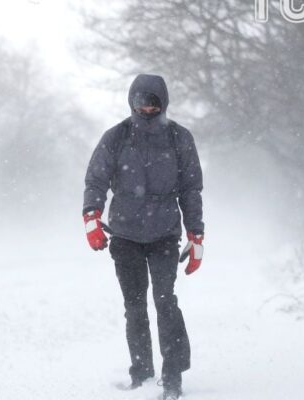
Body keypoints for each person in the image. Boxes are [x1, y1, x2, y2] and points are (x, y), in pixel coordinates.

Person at [81, 74, 204, 400]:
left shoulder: (180, 138)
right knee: (134, 307)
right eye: (141, 101)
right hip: (125, 237)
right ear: (131, 101)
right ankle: (141, 374)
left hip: (165, 235)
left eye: (153, 102)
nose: (147, 108)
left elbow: (192, 190)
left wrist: (196, 234)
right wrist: (91, 216)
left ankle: (173, 377)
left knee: (165, 302)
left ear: (163, 102)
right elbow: (96, 178)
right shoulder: (116, 137)